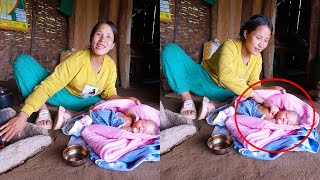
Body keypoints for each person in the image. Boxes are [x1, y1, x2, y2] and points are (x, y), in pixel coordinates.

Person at [0, 19, 141, 142]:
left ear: (112, 45)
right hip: (60, 93)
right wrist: (23, 116)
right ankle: (43, 108)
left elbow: (109, 93)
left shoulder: (110, 66)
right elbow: (49, 86)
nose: (103, 39)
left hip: (86, 101)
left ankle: (68, 115)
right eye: (98, 34)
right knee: (22, 62)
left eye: (108, 37)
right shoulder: (77, 60)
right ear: (91, 37)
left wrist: (125, 99)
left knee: (104, 105)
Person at [161, 14, 286, 120]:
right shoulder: (229, 46)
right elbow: (224, 76)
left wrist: (271, 88)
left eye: (266, 40)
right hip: (203, 78)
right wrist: (252, 94)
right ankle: (187, 99)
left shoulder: (257, 58)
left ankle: (213, 105)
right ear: (246, 33)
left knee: (247, 96)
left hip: (226, 92)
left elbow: (253, 85)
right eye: (258, 38)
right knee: (170, 50)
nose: (261, 44)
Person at [55, 105, 159, 135]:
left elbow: (120, 132)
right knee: (88, 115)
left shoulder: (129, 130)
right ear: (141, 119)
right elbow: (126, 109)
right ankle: (68, 118)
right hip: (107, 114)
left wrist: (132, 132)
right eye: (143, 125)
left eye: (143, 131)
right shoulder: (133, 117)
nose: (140, 128)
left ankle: (68, 121)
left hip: (104, 122)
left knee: (87, 121)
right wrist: (132, 113)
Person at [211, 98, 301, 126]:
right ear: (283, 110)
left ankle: (222, 115)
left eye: (287, 122)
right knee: (233, 108)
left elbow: (263, 123)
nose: (284, 119)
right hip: (250, 107)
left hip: (248, 116)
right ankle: (216, 106)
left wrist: (275, 122)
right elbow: (264, 102)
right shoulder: (276, 109)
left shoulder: (273, 123)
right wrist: (271, 106)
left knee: (236, 117)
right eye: (286, 115)